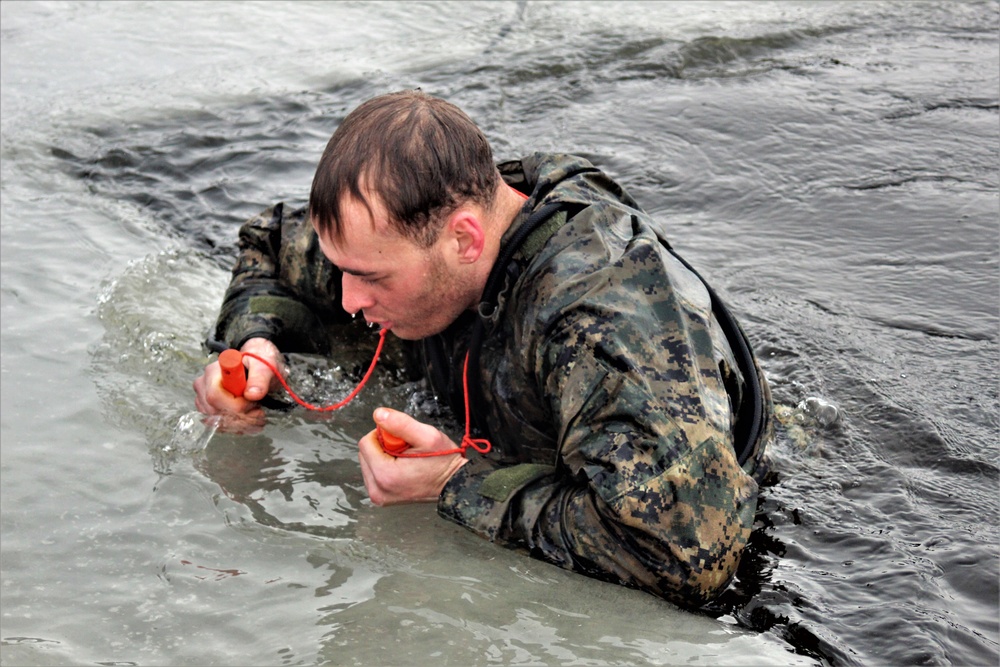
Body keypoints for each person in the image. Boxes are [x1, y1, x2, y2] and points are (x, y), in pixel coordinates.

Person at [193, 90, 773, 608]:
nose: (349, 299)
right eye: (344, 271)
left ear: (464, 239)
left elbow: (690, 556)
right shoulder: (404, 229)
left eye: (370, 278)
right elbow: (267, 244)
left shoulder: (599, 321)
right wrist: (258, 343)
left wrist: (454, 483)